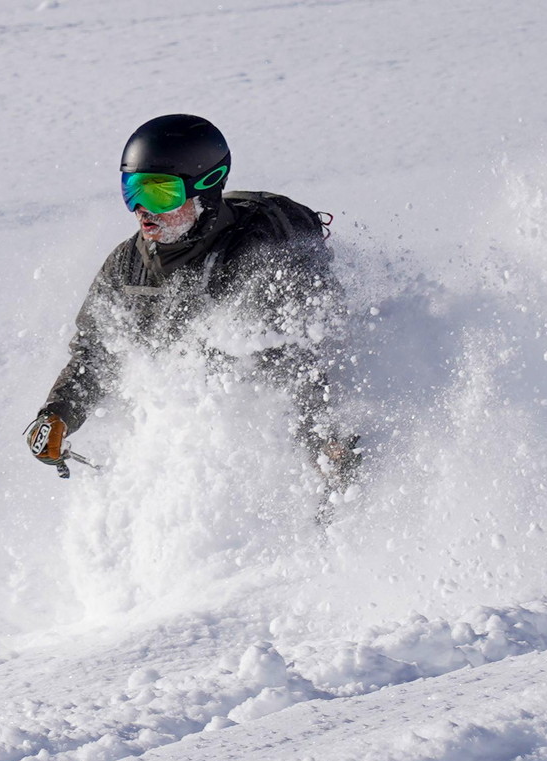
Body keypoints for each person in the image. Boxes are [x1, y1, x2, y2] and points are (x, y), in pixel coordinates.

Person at [26, 114, 359, 491]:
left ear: (207, 186)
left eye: (158, 193)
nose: (141, 209)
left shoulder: (257, 256)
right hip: (197, 432)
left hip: (280, 426)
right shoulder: (128, 265)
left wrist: (324, 443)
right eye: (131, 190)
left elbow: (295, 362)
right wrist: (58, 414)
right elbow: (95, 353)